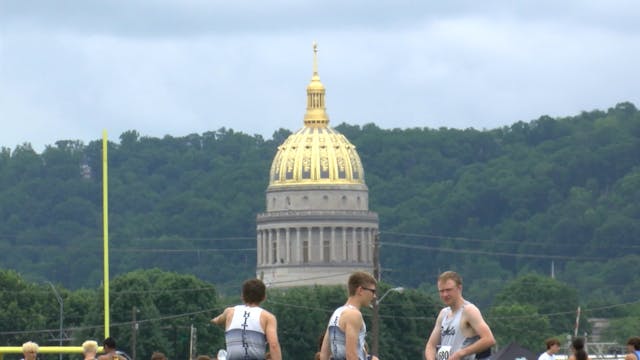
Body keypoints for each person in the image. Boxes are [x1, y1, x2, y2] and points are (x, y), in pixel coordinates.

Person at [424, 271, 495, 360]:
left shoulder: (469, 310)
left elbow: (489, 339)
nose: (445, 294)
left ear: (459, 288)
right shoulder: (443, 313)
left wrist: (461, 353)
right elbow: (431, 346)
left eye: (448, 290)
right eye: (441, 291)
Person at [210, 278, 282, 360]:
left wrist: (213, 320)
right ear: (264, 297)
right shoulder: (268, 317)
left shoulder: (229, 312)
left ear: (242, 296)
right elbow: (273, 345)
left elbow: (218, 320)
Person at [319, 271, 379, 360]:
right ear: (360, 290)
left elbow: (324, 354)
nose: (374, 296)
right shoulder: (354, 315)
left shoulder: (337, 312)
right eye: (372, 291)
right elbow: (351, 355)